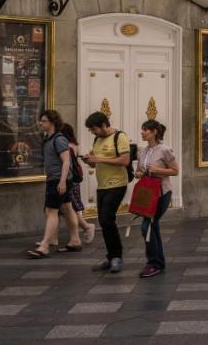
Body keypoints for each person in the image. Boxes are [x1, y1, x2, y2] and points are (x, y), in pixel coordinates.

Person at [81, 110, 132, 273]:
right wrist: (90, 160)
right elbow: (94, 165)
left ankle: (117, 257)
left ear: (104, 125)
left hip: (117, 184)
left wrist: (99, 159)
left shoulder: (120, 137)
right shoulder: (97, 139)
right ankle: (111, 257)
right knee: (104, 221)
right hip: (102, 185)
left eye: (93, 129)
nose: (92, 132)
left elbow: (125, 160)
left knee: (106, 219)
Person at [28, 110, 79, 259]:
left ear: (52, 122)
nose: (40, 123)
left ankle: (44, 246)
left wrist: (62, 181)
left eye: (43, 121)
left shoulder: (59, 139)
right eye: (40, 120)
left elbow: (66, 161)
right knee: (68, 210)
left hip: (58, 180)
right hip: (56, 179)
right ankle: (75, 240)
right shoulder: (48, 138)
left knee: (51, 212)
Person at [134, 119, 178, 278]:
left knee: (147, 226)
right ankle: (158, 261)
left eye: (145, 130)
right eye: (142, 129)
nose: (142, 132)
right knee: (153, 226)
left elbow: (175, 171)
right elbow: (139, 170)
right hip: (148, 193)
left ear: (154, 132)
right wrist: (138, 173)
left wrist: (158, 169)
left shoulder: (165, 150)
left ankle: (153, 263)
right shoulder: (143, 151)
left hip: (162, 193)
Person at [60, 123, 96, 245]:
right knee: (66, 208)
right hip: (72, 179)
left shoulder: (67, 146)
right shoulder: (74, 145)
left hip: (69, 180)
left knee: (70, 208)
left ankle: (86, 227)